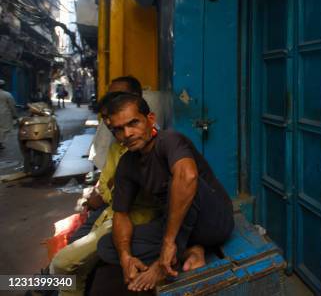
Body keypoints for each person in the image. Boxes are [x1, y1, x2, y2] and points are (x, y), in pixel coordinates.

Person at [97, 94, 234, 292]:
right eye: (119, 129)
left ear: (150, 119)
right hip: (180, 229)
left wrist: (167, 244)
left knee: (181, 181)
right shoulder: (127, 163)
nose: (127, 133)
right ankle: (191, 251)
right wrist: (125, 257)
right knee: (107, 246)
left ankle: (167, 259)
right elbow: (121, 214)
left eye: (133, 123)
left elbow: (188, 177)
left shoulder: (169, 140)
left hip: (213, 222)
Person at [49, 78, 158, 296]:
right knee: (71, 258)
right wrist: (110, 189)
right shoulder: (118, 142)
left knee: (62, 264)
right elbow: (108, 189)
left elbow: (123, 196)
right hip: (110, 213)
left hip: (128, 218)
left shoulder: (146, 141)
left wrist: (112, 189)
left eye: (119, 99)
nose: (125, 132)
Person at [0, 79, 17, 150]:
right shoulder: (7, 94)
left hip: (3, 114)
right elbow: (12, 105)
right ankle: (0, 143)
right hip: (4, 115)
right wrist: (14, 114)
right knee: (3, 129)